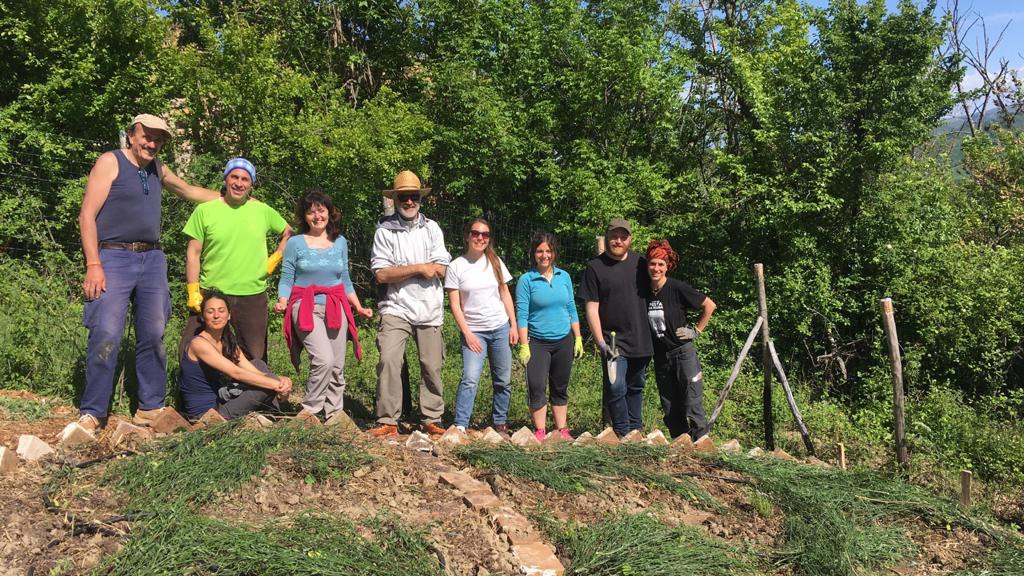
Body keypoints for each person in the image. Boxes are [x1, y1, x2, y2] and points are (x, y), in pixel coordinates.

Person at [77, 113, 220, 431]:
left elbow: (188, 191)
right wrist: (93, 264)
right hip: (112, 257)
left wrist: (232, 198)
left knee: (154, 334)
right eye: (147, 136)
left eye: (159, 139)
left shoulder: (157, 168)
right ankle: (93, 411)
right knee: (106, 333)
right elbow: (87, 216)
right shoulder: (110, 162)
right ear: (131, 135)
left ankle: (150, 408)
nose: (152, 143)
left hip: (152, 260)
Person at [180, 157, 292, 364]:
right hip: (212, 292)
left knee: (255, 355)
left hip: (252, 293)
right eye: (234, 177)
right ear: (225, 179)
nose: (239, 183)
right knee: (191, 350)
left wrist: (275, 258)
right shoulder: (205, 211)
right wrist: (193, 290)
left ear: (251, 184)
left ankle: (254, 395)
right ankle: (198, 394)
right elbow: (193, 253)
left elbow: (288, 232)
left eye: (245, 179)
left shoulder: (262, 211)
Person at [274, 189, 373, 421]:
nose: (317, 216)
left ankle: (334, 416)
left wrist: (358, 307)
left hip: (335, 305)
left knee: (337, 365)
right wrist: (282, 301)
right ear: (304, 217)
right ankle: (309, 412)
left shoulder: (340, 242)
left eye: (321, 210)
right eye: (310, 212)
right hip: (304, 306)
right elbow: (287, 277)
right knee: (323, 359)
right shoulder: (296, 243)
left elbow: (345, 280)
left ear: (329, 212)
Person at [369, 170, 451, 437]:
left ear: (419, 198)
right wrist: (418, 268)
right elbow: (381, 273)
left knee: (431, 364)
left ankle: (431, 418)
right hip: (395, 306)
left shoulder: (432, 228)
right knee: (389, 359)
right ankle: (388, 420)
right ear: (395, 198)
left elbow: (441, 267)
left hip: (430, 307)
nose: (408, 201)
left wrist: (406, 270)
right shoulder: (384, 230)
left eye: (413, 196)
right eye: (403, 196)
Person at [579, 218, 654, 437]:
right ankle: (622, 433)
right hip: (613, 342)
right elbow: (591, 307)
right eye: (614, 236)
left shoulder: (642, 263)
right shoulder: (595, 267)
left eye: (623, 237)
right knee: (615, 387)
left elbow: (661, 286)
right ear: (607, 237)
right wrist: (600, 342)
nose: (618, 241)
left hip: (641, 337)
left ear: (630, 239)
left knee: (636, 386)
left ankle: (636, 432)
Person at [445, 218, 518, 434]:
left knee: (503, 380)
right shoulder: (456, 266)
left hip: (500, 327)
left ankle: (499, 423)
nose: (480, 238)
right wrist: (467, 333)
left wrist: (513, 325)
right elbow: (455, 305)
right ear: (467, 235)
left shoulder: (495, 262)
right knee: (470, 378)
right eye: (476, 233)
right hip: (474, 331)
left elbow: (505, 293)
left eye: (485, 235)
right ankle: (460, 424)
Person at [180, 291, 293, 420]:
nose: (216, 316)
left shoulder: (226, 340)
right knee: (266, 385)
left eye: (221, 311)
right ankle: (277, 412)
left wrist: (281, 381)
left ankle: (274, 410)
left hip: (221, 400)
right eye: (210, 312)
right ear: (203, 316)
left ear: (229, 315)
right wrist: (275, 384)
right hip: (209, 415)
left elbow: (252, 370)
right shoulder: (198, 344)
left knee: (258, 364)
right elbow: (236, 373)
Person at [645, 240, 716, 441]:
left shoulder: (676, 288)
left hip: (683, 353)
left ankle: (701, 445)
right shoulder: (645, 291)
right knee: (670, 405)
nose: (656, 268)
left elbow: (709, 305)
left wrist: (696, 331)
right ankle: (680, 444)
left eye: (661, 264)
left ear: (668, 266)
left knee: (692, 400)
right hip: (660, 356)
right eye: (652, 263)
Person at [515, 232, 583, 441]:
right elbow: (522, 314)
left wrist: (578, 337)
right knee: (536, 385)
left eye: (548, 251)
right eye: (540, 251)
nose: (544, 255)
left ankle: (561, 429)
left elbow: (571, 307)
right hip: (537, 342)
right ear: (534, 254)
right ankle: (540, 430)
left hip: (564, 340)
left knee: (560, 385)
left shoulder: (564, 277)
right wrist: (523, 344)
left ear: (554, 253)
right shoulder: (526, 280)